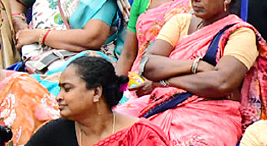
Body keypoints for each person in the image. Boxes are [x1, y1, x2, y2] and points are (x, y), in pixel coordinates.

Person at [123, 0, 267, 146]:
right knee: (114, 128)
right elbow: (147, 64)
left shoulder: (240, 33)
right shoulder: (180, 22)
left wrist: (164, 81)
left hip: (212, 113)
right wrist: (196, 66)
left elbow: (221, 82)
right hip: (161, 104)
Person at [24, 54, 170, 146]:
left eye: (67, 89)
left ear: (96, 92)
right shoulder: (55, 132)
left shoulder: (140, 135)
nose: (59, 96)